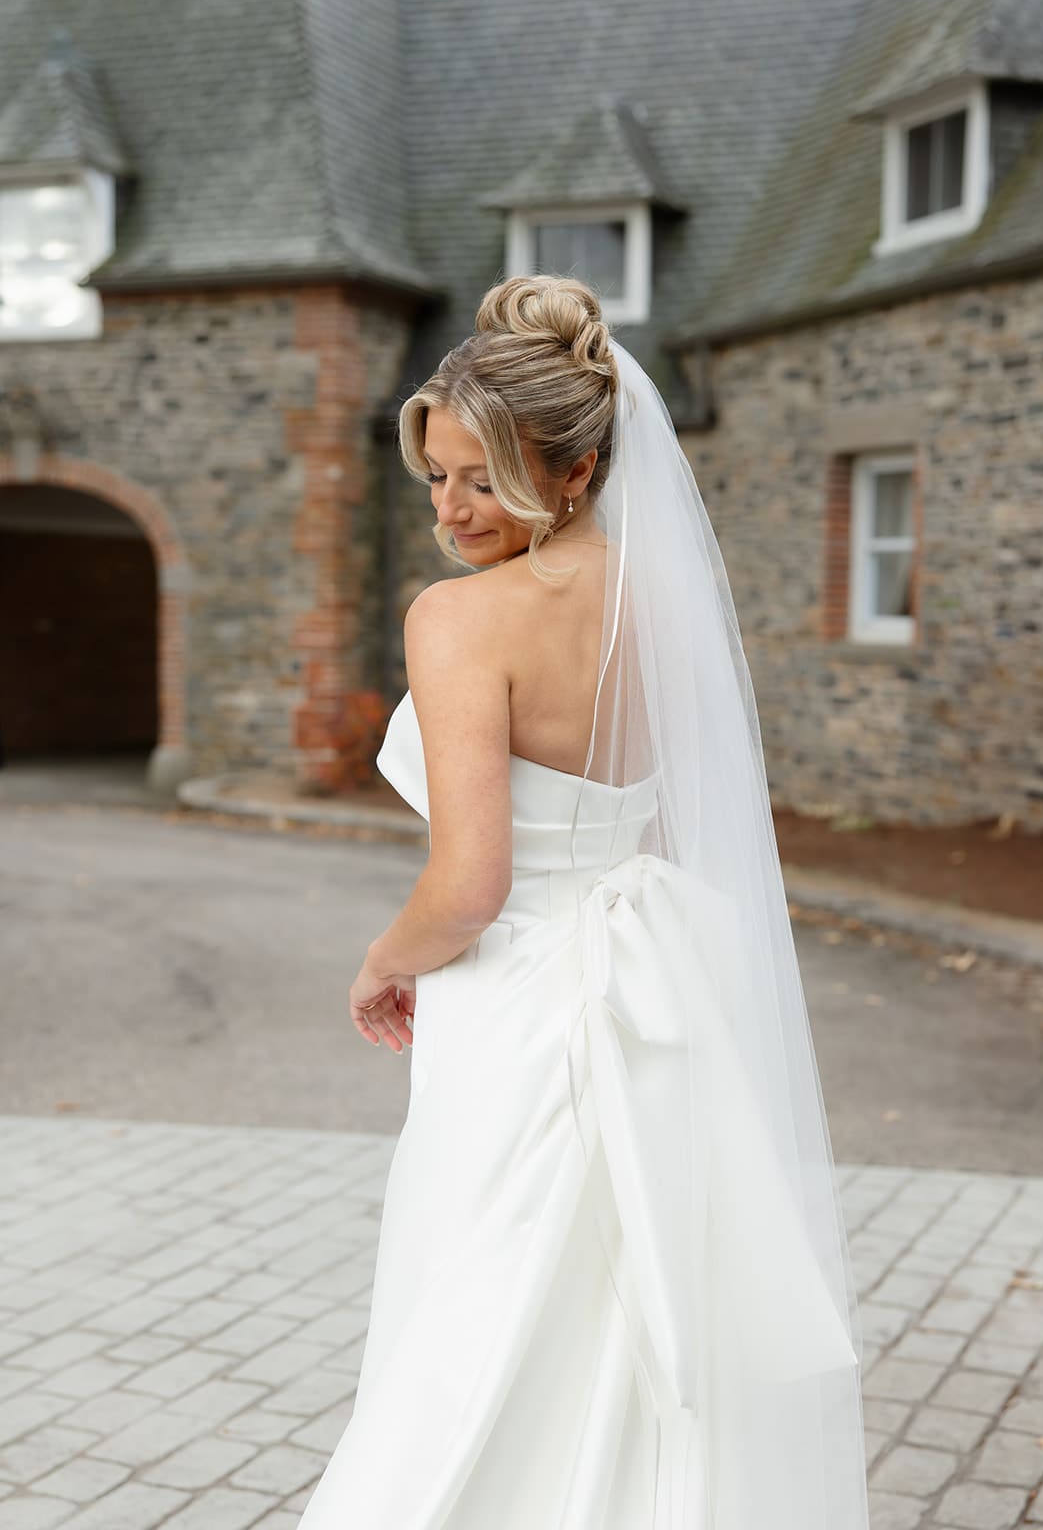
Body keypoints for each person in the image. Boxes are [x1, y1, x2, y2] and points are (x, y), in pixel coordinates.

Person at [297, 275, 871, 1528]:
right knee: (631, 1303)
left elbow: (469, 885)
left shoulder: (455, 621)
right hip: (646, 987)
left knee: (483, 1303)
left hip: (513, 1008)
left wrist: (383, 961)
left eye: (480, 476)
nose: (449, 511)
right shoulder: (664, 597)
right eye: (435, 477)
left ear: (576, 466)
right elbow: (670, 818)